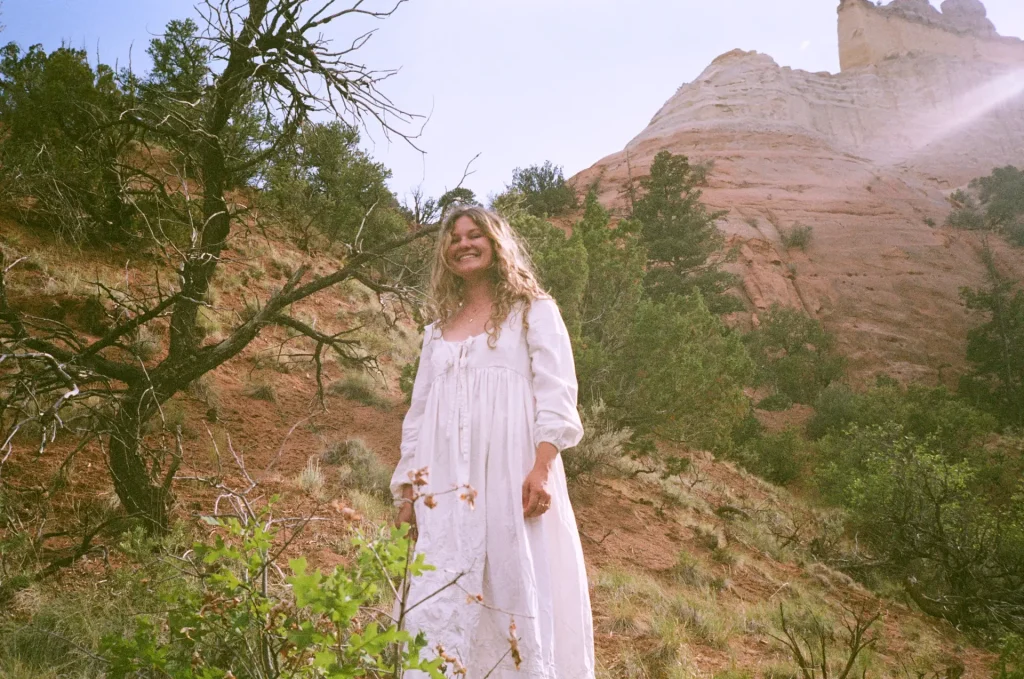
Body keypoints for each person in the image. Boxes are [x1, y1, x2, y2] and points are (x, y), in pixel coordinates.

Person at [391, 205, 595, 678]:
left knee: (514, 583)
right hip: (444, 488)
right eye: (454, 237)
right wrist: (408, 491)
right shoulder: (435, 333)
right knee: (441, 594)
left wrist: (542, 468)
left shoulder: (533, 311)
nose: (464, 244)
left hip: (512, 476)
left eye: (474, 234)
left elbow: (557, 391)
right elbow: (418, 416)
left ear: (496, 242)